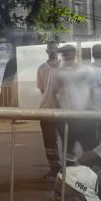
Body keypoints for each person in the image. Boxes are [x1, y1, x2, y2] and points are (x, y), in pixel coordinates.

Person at [40, 44, 97, 157]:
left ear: (74, 53)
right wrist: (60, 114)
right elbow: (52, 94)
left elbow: (93, 91)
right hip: (68, 118)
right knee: (69, 150)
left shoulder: (87, 70)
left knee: (90, 149)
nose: (65, 54)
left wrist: (92, 111)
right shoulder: (57, 73)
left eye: (68, 52)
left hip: (85, 117)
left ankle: (93, 173)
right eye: (64, 52)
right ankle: (70, 174)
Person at [37, 41, 61, 178]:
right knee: (49, 141)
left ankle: (69, 170)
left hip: (64, 110)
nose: (53, 51)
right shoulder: (41, 68)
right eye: (50, 49)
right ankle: (54, 169)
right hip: (47, 110)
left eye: (55, 49)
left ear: (58, 50)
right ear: (46, 51)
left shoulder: (65, 67)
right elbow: (42, 89)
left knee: (68, 140)